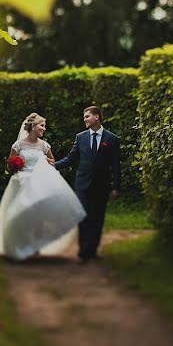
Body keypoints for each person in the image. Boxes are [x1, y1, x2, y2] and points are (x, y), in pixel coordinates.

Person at [0, 113, 86, 261]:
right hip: (22, 182)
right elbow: (10, 164)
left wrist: (48, 165)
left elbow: (52, 162)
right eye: (42, 125)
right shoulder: (18, 145)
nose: (44, 128)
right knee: (20, 214)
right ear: (33, 126)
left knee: (38, 215)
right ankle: (20, 244)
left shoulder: (44, 145)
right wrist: (14, 165)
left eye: (44, 126)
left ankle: (34, 246)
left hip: (40, 183)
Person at [54, 105, 121, 262]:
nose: (84, 119)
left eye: (87, 116)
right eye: (84, 117)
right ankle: (83, 252)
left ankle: (92, 251)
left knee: (97, 218)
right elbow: (71, 158)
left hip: (102, 186)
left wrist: (116, 187)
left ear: (96, 117)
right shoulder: (80, 137)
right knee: (83, 216)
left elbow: (115, 165)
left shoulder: (111, 138)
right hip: (82, 185)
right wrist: (53, 165)